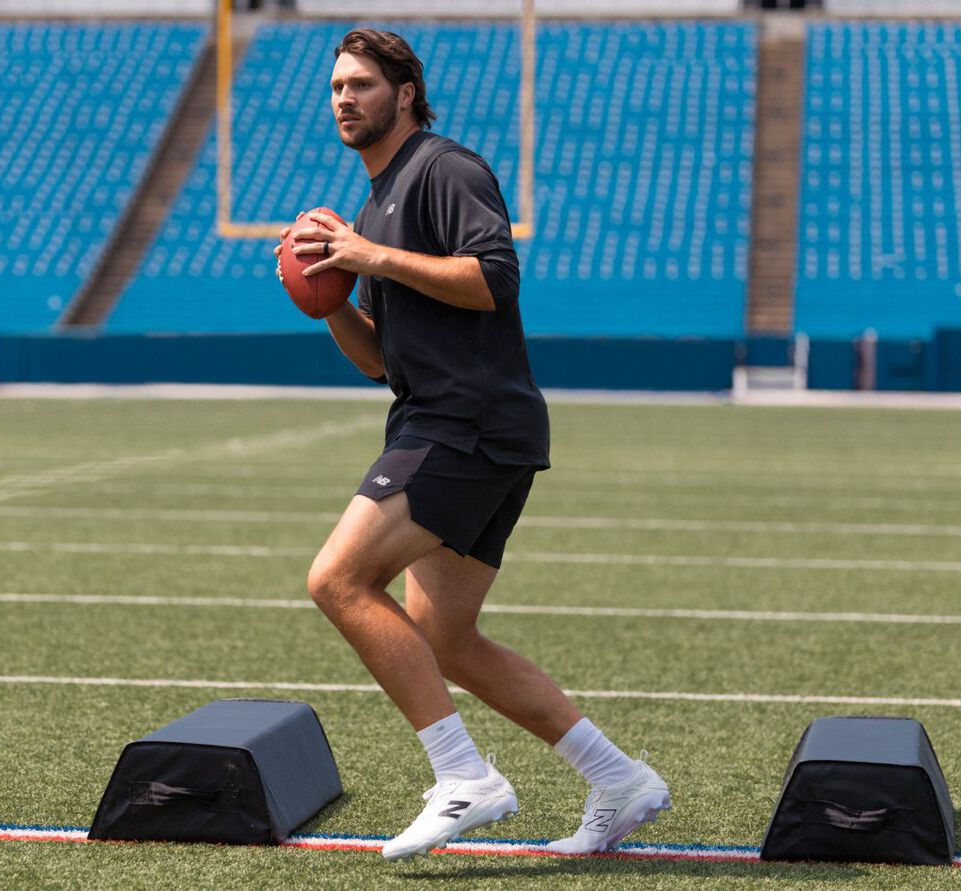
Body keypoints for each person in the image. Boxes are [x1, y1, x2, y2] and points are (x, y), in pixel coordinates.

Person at [272, 28, 670, 862]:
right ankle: (620, 777)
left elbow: (494, 279)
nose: (344, 98)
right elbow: (383, 359)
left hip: (468, 422)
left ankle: (464, 776)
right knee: (446, 638)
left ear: (406, 93)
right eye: (336, 87)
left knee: (338, 578)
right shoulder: (375, 203)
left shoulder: (443, 169)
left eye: (362, 85)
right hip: (452, 418)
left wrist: (367, 252)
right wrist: (333, 299)